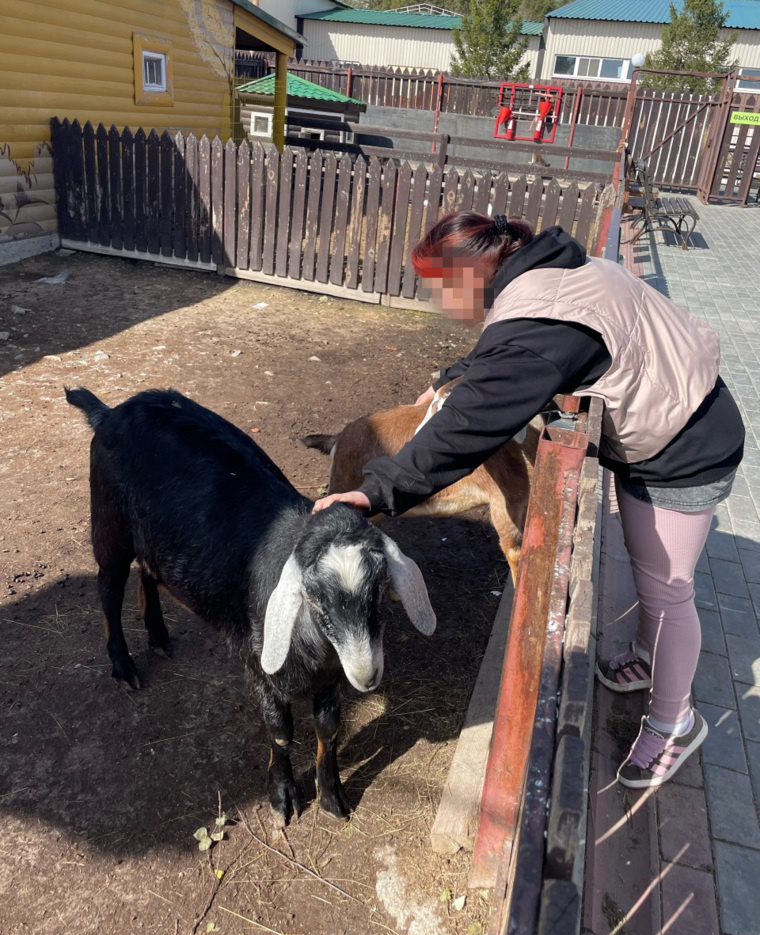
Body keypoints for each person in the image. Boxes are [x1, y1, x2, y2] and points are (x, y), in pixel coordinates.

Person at [313, 212, 745, 789]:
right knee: (652, 572)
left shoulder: (541, 318)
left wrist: (372, 493)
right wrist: (448, 375)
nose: (440, 304)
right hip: (667, 421)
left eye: (440, 289)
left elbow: (468, 426)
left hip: (685, 442)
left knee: (668, 589)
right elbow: (504, 351)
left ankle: (674, 724)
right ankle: (647, 654)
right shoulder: (546, 270)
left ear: (470, 276)